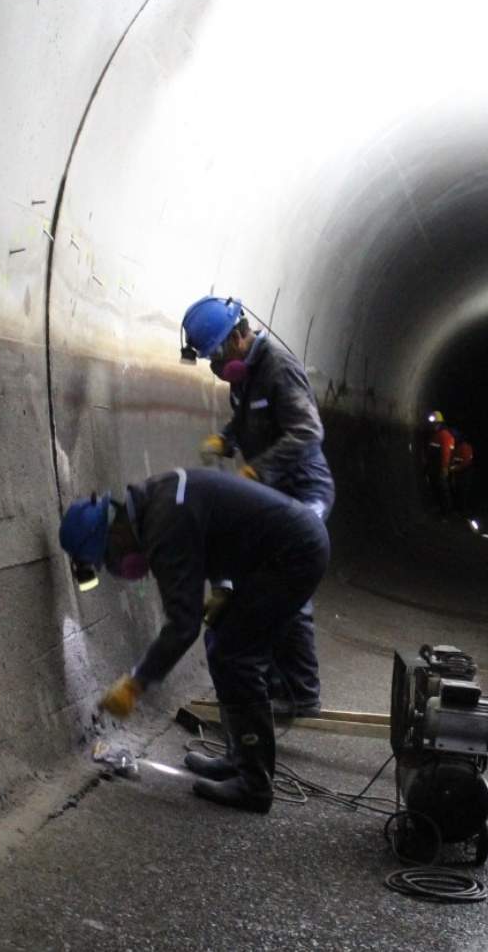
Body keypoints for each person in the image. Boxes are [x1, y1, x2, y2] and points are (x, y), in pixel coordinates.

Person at [59, 469, 329, 814]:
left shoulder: (162, 528)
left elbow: (183, 626)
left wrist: (135, 683)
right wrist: (222, 587)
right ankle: (239, 757)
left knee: (237, 657)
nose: (116, 566)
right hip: (279, 548)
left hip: (292, 555)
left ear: (113, 534)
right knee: (222, 642)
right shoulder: (153, 502)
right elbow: (216, 523)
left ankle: (255, 784)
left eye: (109, 558)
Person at [182, 296, 334, 719]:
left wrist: (259, 470)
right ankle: (262, 686)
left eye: (216, 352)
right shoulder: (243, 375)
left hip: (304, 491)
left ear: (238, 335)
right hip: (269, 493)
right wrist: (228, 439)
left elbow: (308, 431)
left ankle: (302, 694)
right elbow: (249, 417)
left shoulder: (279, 369)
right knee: (254, 586)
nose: (214, 365)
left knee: (287, 588)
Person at [425, 411, 474, 515]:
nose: (433, 426)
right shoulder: (436, 435)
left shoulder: (445, 436)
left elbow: (446, 453)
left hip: (447, 469)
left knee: (445, 489)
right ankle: (444, 509)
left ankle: (448, 511)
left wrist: (445, 468)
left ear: (440, 423)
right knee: (439, 488)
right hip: (436, 467)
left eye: (435, 423)